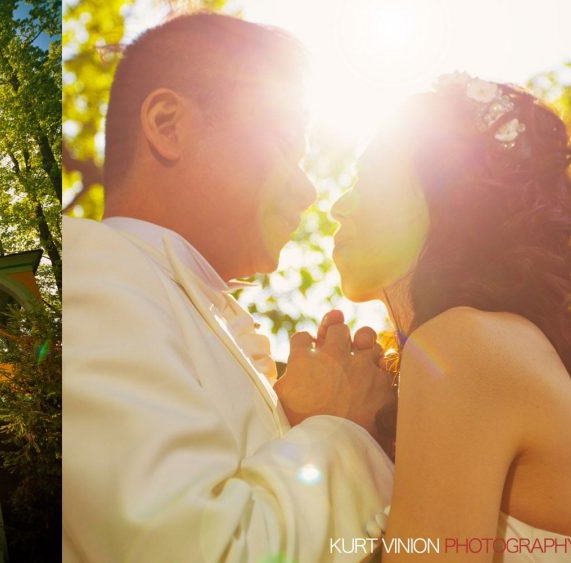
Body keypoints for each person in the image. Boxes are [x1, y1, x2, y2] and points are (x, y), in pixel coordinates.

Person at [64, 13, 395, 562]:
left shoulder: (188, 303)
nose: (309, 190)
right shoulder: (93, 266)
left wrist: (294, 422)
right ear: (168, 125)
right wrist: (341, 425)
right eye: (285, 144)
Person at [331, 73, 571, 560]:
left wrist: (327, 435)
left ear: (449, 196)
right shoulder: (481, 344)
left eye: (367, 180)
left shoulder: (464, 343)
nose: (339, 207)